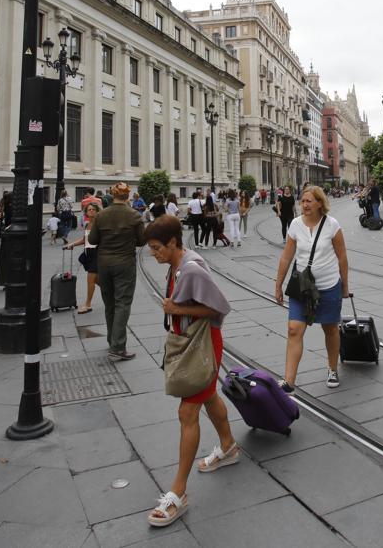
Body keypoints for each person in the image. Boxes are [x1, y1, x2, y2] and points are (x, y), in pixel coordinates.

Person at [144, 215, 238, 528]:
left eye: (157, 248)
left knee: (188, 413)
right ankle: (228, 446)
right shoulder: (177, 264)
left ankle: (178, 493)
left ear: (173, 243)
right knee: (208, 397)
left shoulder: (192, 268)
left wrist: (177, 309)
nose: (153, 253)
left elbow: (219, 308)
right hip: (192, 341)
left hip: (202, 346)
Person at [273, 186, 349, 392]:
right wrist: (278, 284)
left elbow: (342, 258)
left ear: (319, 203)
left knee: (331, 329)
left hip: (328, 286)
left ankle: (332, 369)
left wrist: (345, 286)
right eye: (302, 201)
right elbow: (287, 257)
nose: (304, 205)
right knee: (294, 330)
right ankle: (288, 381)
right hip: (303, 288)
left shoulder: (332, 225)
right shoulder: (296, 225)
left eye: (309, 201)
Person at [88, 183, 146, 360]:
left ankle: (111, 340)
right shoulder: (134, 215)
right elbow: (142, 240)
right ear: (127, 196)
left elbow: (93, 239)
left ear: (113, 195)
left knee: (110, 303)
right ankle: (118, 347)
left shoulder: (101, 215)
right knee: (122, 303)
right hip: (124, 263)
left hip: (104, 263)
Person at [64, 201, 101, 314]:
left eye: (93, 209)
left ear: (97, 211)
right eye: (89, 210)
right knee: (97, 280)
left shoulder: (99, 224)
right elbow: (85, 239)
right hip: (88, 254)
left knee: (90, 279)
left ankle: (87, 304)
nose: (91, 211)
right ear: (86, 212)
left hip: (97, 253)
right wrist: (72, 244)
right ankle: (113, 292)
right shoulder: (86, 224)